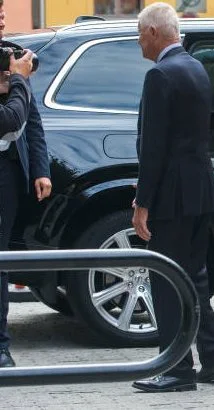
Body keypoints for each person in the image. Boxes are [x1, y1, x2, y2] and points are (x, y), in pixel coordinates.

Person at [131, 2, 214, 393]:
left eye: (140, 34)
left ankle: (176, 369)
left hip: (172, 196)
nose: (139, 42)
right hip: (200, 190)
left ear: (154, 33)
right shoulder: (194, 66)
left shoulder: (159, 74)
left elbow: (154, 146)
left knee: (166, 281)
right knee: (194, 278)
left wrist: (143, 202)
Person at [0, 0, 52, 369]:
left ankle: (1, 344)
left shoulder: (11, 55)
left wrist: (40, 168)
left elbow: (31, 118)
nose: (3, 17)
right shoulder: (15, 68)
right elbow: (10, 117)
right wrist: (16, 79)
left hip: (6, 174)